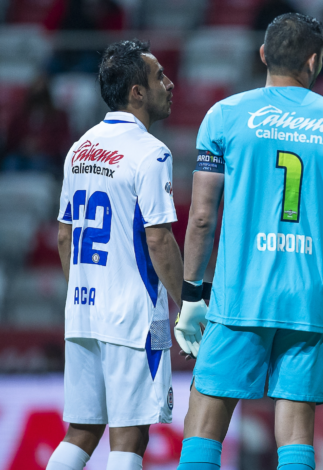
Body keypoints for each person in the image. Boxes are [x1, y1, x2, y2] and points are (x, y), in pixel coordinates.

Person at [173, 13, 323, 470]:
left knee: (206, 421)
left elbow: (202, 216)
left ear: (263, 54)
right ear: (315, 60)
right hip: (308, 299)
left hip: (239, 294)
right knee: (296, 432)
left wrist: (190, 296)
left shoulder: (224, 115)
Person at [49, 39, 182, 470]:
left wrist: (85, 294)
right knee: (129, 437)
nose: (170, 82)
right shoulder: (150, 152)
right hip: (132, 315)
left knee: (82, 432)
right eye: (159, 75)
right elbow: (159, 240)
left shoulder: (79, 148)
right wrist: (188, 304)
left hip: (83, 311)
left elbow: (64, 238)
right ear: (137, 92)